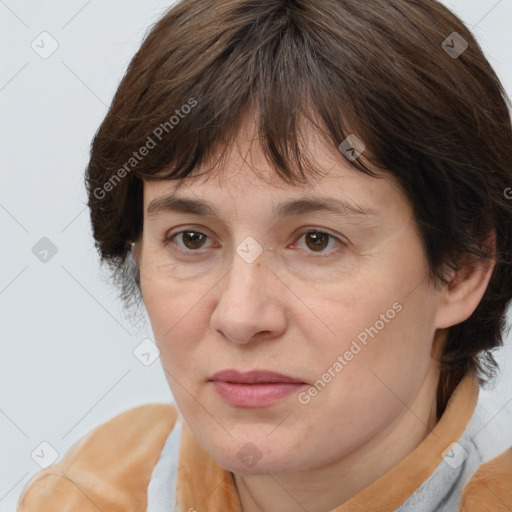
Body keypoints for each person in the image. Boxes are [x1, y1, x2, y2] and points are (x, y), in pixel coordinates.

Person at [17, 0, 512, 510]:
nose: (240, 316)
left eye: (317, 240)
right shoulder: (85, 494)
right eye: (192, 239)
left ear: (463, 267)